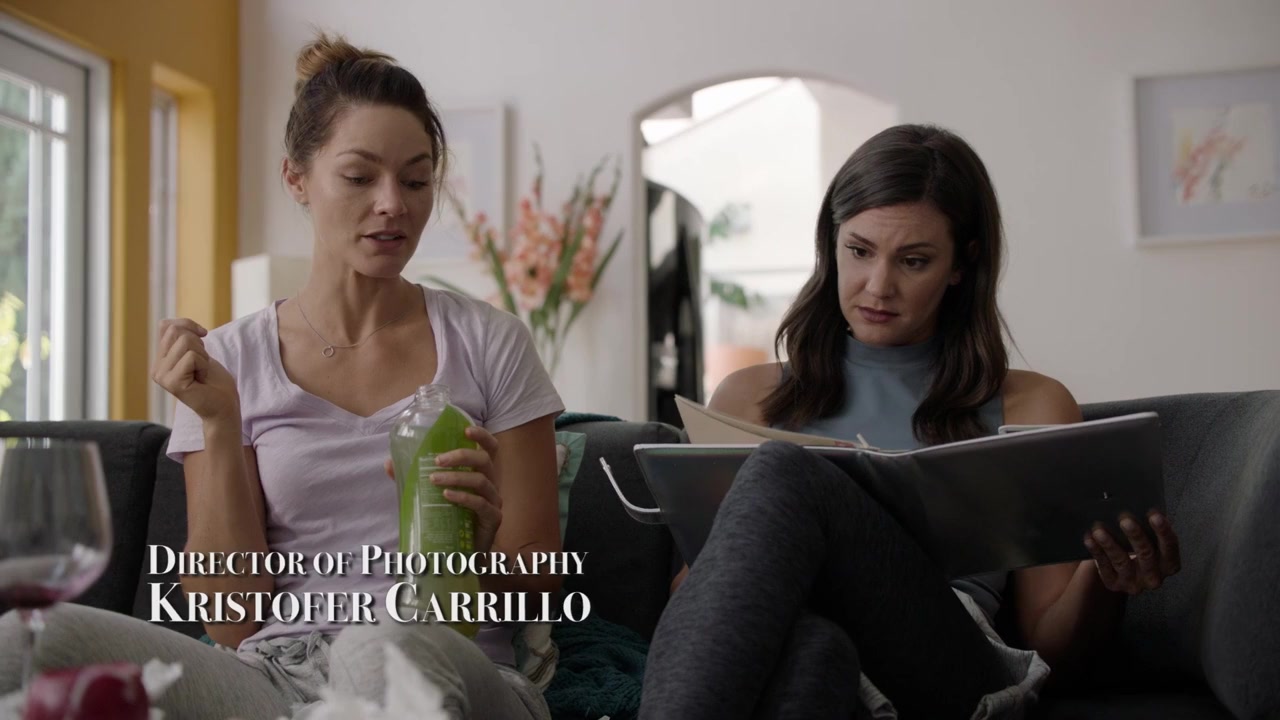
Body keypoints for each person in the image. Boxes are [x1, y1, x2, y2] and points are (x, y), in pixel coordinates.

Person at [0, 33, 564, 720]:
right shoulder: (228, 360)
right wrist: (219, 420)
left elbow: (538, 584)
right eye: (359, 178)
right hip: (274, 673)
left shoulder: (489, 341)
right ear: (296, 178)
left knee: (377, 645)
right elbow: (231, 620)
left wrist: (477, 542)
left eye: (416, 181)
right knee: (31, 640)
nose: (393, 203)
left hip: (446, 662)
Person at [641, 124, 1183, 719]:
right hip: (796, 634)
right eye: (859, 251)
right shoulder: (748, 396)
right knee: (813, 655)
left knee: (782, 470)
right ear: (831, 244)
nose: (879, 286)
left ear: (961, 265)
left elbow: (1052, 647)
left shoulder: (1032, 404)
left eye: (914, 261)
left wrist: (1107, 578)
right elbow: (694, 604)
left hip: (948, 660)